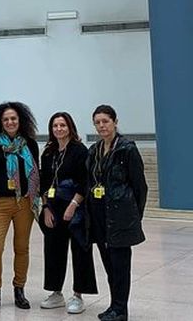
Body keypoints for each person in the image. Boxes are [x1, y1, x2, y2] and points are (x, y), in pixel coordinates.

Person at [87, 105, 147, 321]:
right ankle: (114, 306)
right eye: (97, 122)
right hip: (100, 216)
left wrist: (133, 216)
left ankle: (121, 310)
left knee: (121, 266)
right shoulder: (94, 150)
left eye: (105, 121)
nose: (102, 126)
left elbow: (140, 186)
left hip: (120, 216)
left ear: (115, 122)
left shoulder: (127, 149)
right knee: (109, 265)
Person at [0, 101, 40, 311]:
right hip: (0, 204)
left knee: (22, 248)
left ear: (20, 120)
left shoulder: (30, 143)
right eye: (6, 119)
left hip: (24, 202)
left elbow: (35, 172)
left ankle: (19, 290)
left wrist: (35, 196)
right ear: (0, 121)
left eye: (13, 118)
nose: (10, 122)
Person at [38, 112, 97, 314]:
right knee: (53, 250)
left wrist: (73, 205)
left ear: (70, 127)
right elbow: (44, 183)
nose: (59, 129)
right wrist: (45, 208)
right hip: (53, 209)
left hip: (76, 208)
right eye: (55, 126)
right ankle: (56, 293)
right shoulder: (48, 153)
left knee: (80, 251)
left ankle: (78, 294)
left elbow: (85, 181)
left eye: (62, 125)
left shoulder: (80, 151)